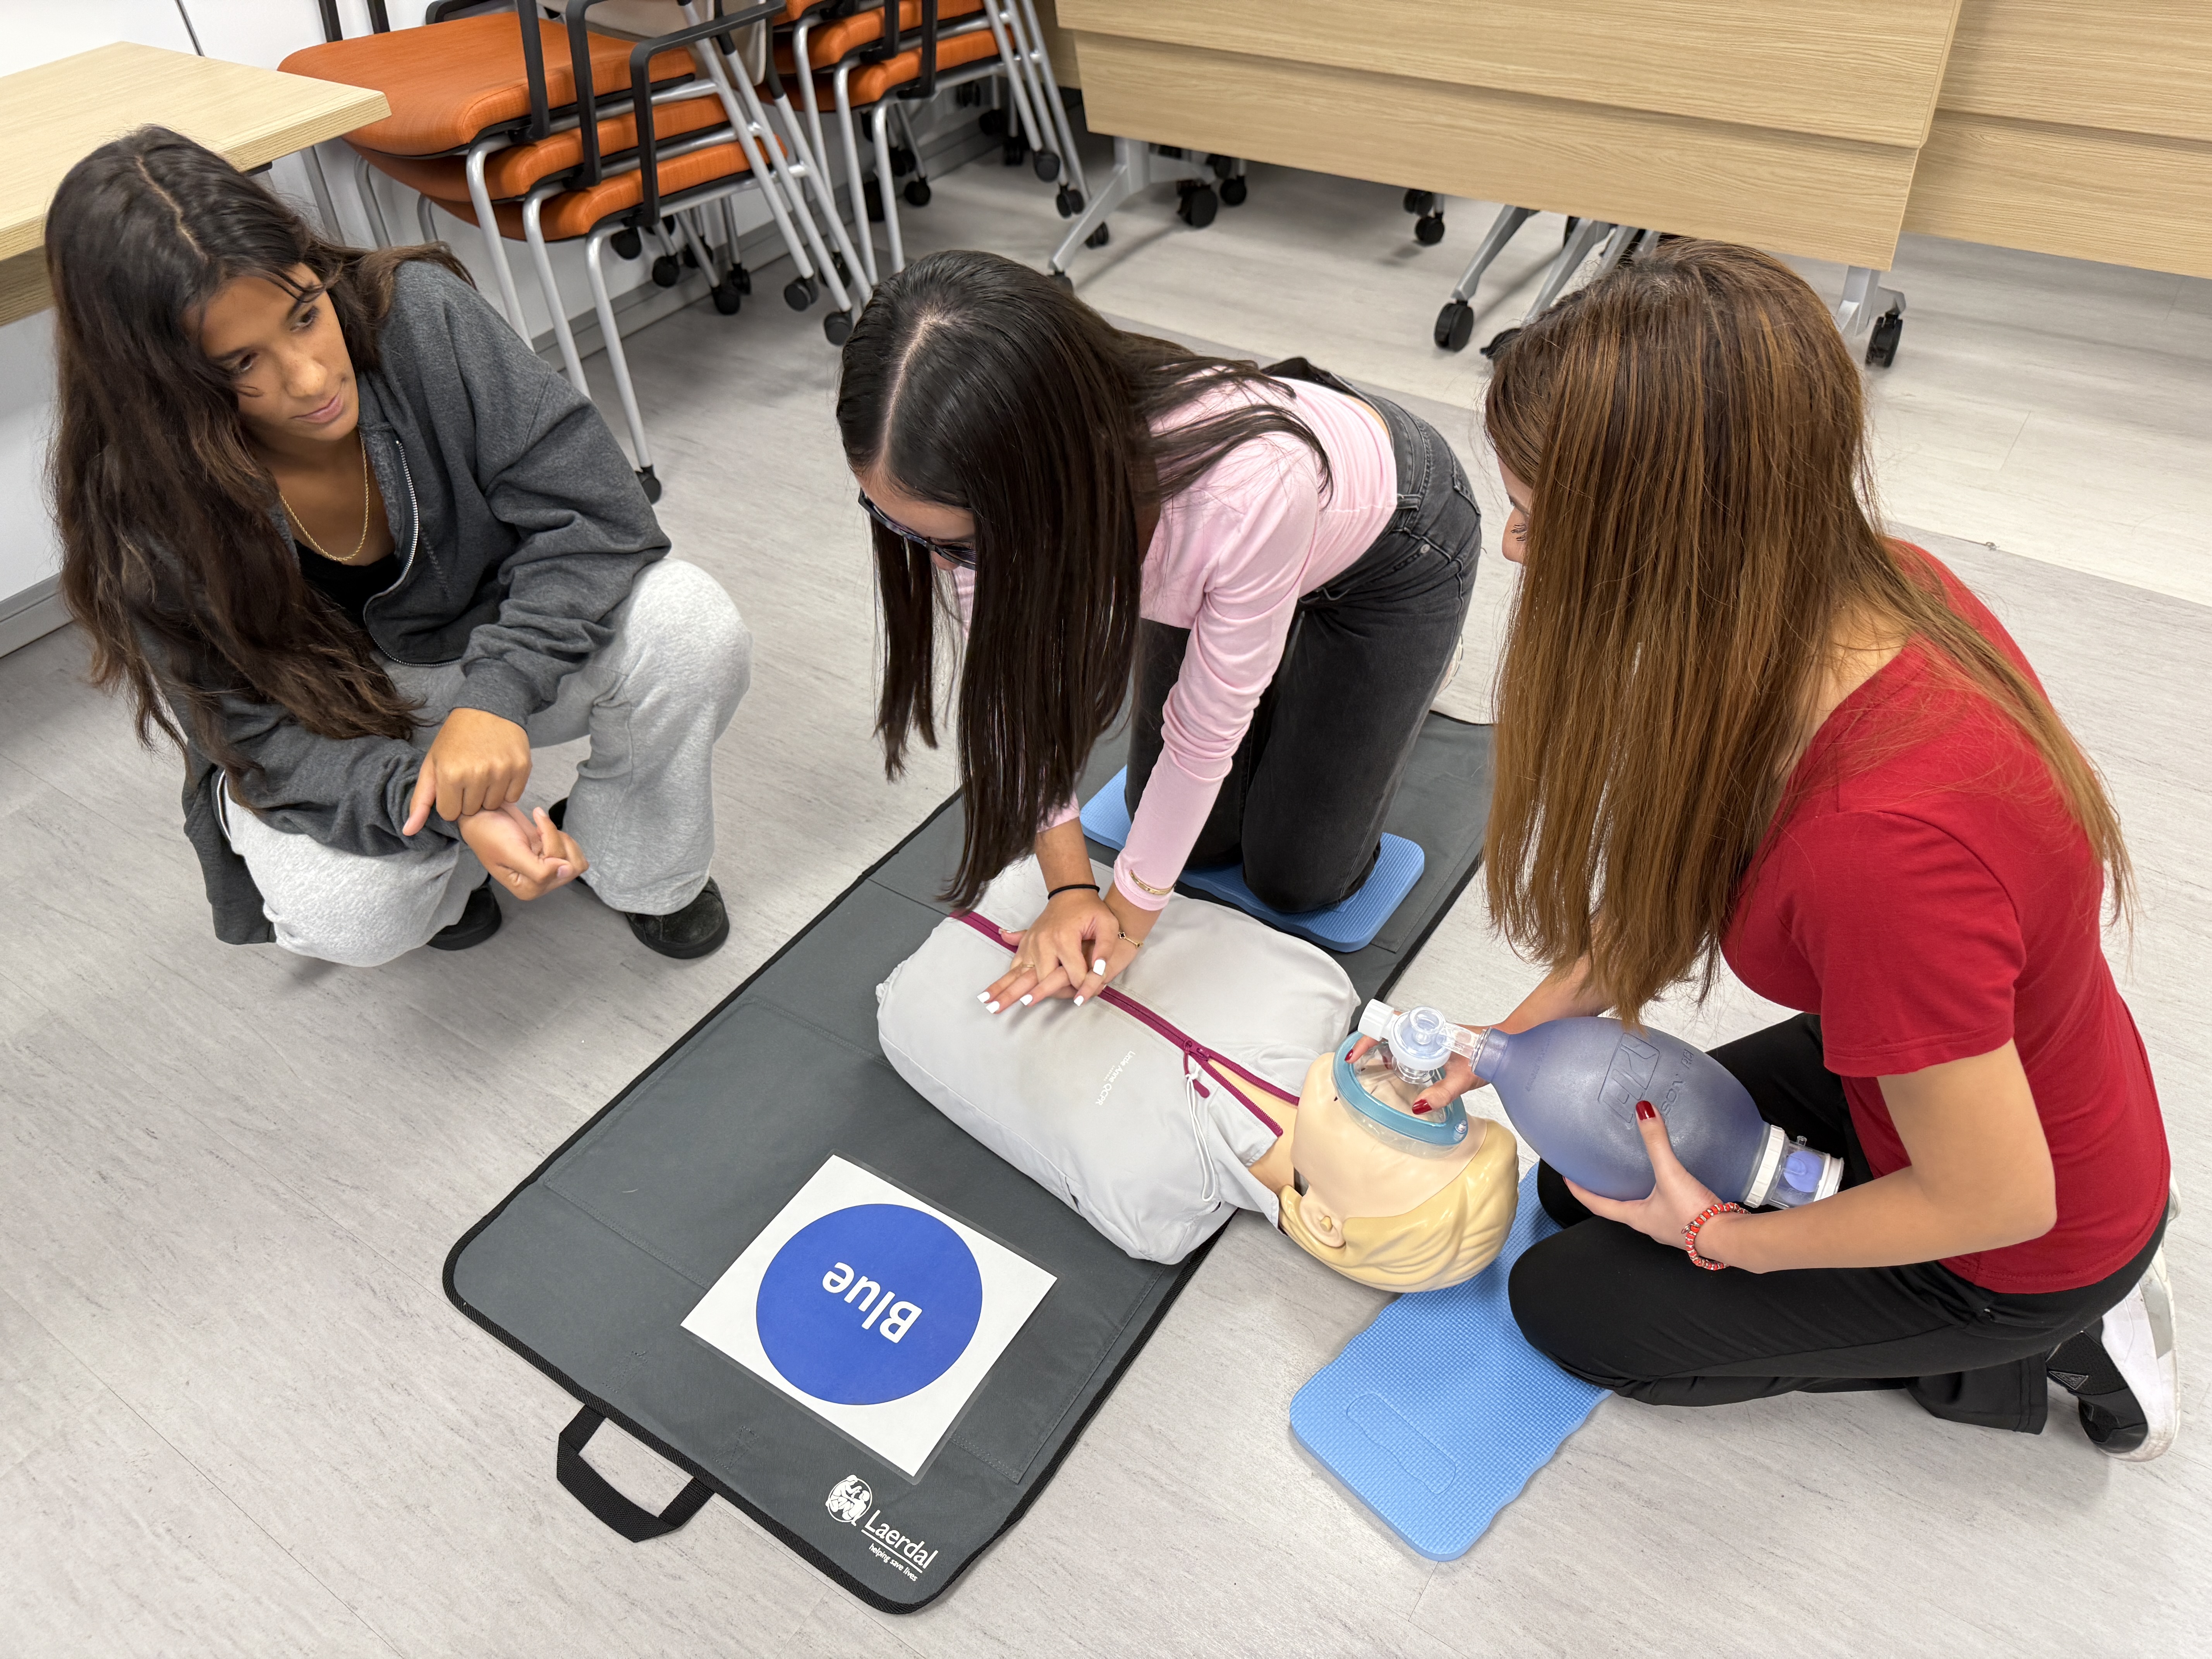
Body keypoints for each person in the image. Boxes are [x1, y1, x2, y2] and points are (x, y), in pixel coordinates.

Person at [1408, 241, 2177, 1458]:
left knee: (1566, 1304)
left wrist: (1718, 1236)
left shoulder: (1881, 847)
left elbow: (1996, 1193)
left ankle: (2033, 1352)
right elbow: (1681, 879)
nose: (1512, 546)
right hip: (1941, 1077)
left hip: (2022, 1231)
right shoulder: (1860, 594)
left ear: (1661, 538)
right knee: (1566, 1181)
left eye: (1529, 513)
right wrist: (1506, 1046)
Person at [47, 128, 750, 965]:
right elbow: (262, 740)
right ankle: (445, 875)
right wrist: (444, 803)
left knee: (691, 625)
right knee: (357, 913)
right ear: (162, 381)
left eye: (306, 315)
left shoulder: (420, 315)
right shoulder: (138, 501)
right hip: (325, 725)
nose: (309, 379)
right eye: (242, 362)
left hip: (476, 648)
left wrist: (497, 696)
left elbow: (600, 516)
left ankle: (638, 865)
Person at [836, 250, 1478, 1009]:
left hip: (1396, 546)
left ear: (1052, 488)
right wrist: (1073, 886)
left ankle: (1359, 670)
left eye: (964, 547)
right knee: (1184, 834)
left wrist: (1127, 926)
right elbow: (1019, 693)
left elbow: (1202, 739)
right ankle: (1279, 658)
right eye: (908, 531)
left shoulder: (1239, 496)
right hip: (1231, 552)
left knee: (1298, 880)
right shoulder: (985, 496)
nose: (947, 568)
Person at [878, 855, 1519, 1287]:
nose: (1412, 1107)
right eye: (1438, 1119)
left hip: (925, 999)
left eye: (1406, 1155)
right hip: (1035, 874)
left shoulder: (1156, 1210)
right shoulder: (1318, 988)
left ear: (1325, 1221)